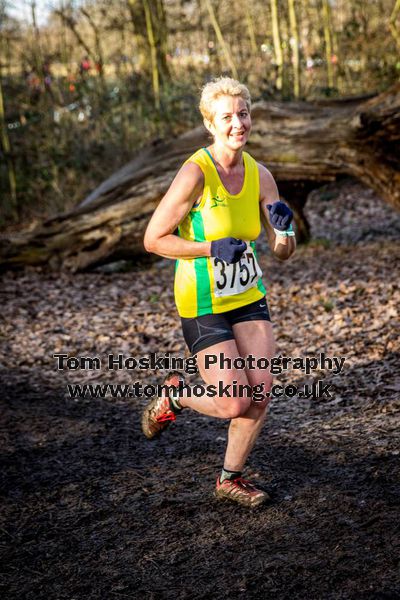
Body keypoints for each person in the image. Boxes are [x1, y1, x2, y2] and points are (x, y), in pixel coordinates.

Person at [142, 77, 296, 508]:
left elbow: (283, 250)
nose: (237, 123)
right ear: (210, 123)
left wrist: (284, 230)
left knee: (259, 393)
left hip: (248, 296)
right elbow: (154, 239)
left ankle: (231, 478)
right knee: (233, 402)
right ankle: (175, 395)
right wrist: (211, 248)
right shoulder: (195, 173)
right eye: (226, 117)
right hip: (203, 302)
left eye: (243, 114)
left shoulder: (261, 175)